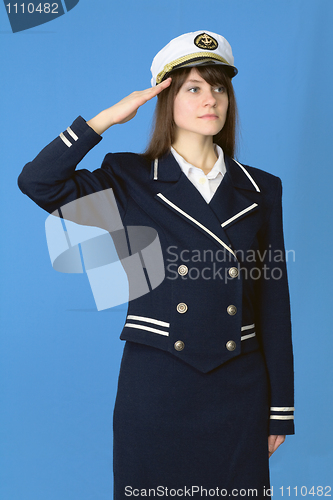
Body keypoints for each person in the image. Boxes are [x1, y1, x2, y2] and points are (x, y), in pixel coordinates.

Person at [18, 30, 294, 499]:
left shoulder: (261, 188)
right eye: (193, 87)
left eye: (219, 87)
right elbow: (39, 183)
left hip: (238, 389)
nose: (211, 99)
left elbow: (273, 302)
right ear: (166, 98)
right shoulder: (129, 178)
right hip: (158, 386)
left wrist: (279, 409)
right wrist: (104, 120)